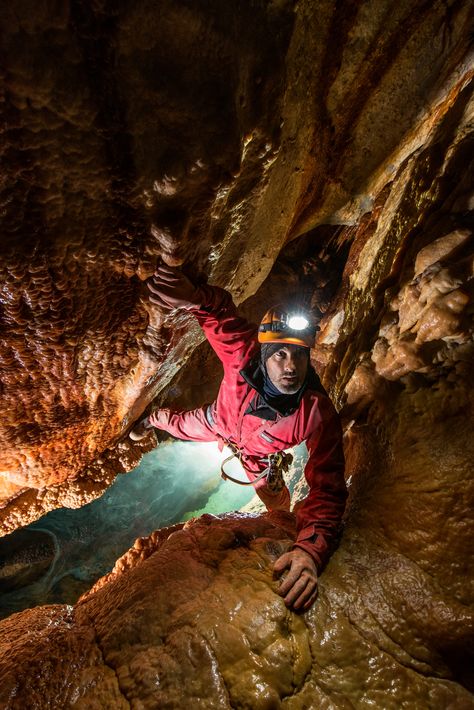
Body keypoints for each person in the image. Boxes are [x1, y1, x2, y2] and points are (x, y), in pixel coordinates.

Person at [131, 264, 347, 611]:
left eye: (299, 355)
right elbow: (217, 313)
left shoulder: (317, 412)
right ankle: (149, 422)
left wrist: (310, 549)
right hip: (218, 422)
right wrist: (193, 297)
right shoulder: (244, 354)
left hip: (258, 457)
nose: (290, 365)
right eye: (280, 354)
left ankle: (283, 519)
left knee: (276, 503)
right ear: (264, 355)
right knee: (175, 423)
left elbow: (327, 487)